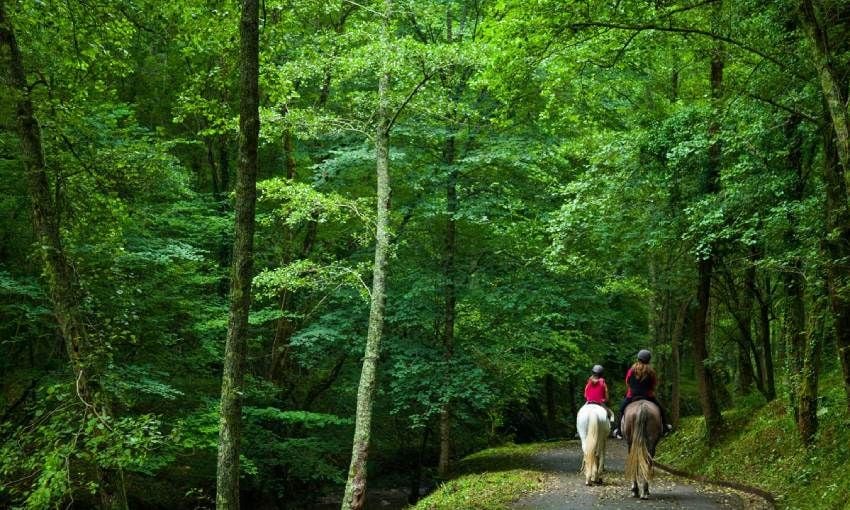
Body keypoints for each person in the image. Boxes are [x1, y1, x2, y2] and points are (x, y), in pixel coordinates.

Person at [612, 349, 672, 439]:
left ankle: (618, 431)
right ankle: (665, 428)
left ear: (638, 358)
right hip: (648, 396)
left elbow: (627, 381)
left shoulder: (631, 370)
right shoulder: (651, 371)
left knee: (621, 410)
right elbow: (654, 384)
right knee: (661, 409)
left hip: (632, 396)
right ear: (648, 360)